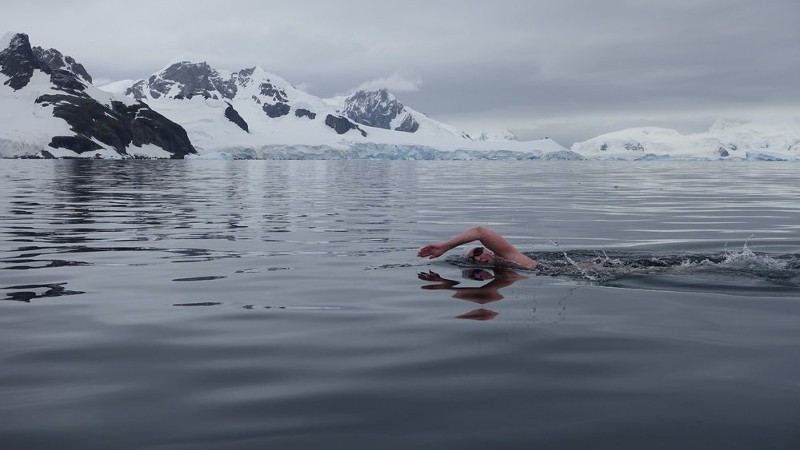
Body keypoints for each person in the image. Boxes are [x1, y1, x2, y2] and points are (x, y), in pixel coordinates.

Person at [417, 226, 538, 269]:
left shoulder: (509, 256)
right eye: (472, 259)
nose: (478, 258)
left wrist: (446, 247)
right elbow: (486, 300)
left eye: (478, 252)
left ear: (488, 250)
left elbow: (480, 232)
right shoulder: (501, 276)